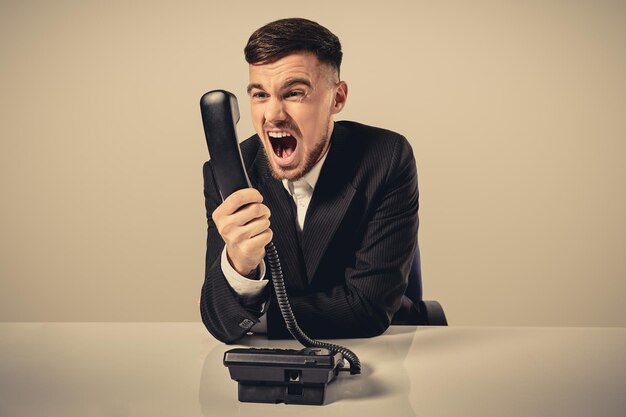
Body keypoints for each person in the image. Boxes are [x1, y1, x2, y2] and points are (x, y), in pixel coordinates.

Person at [200, 18, 419, 343]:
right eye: (260, 94)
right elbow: (219, 320)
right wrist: (239, 264)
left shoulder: (386, 157)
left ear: (337, 98)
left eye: (294, 93)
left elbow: (367, 308)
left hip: (381, 350)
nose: (273, 114)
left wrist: (255, 316)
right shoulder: (229, 170)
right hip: (268, 369)